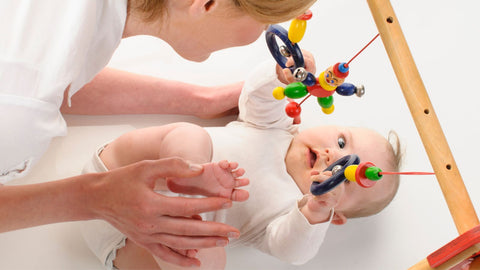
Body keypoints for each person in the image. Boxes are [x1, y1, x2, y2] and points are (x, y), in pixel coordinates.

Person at [0, 0, 317, 267]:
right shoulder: (20, 110)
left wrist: (201, 101)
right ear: (205, 3)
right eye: (263, 24)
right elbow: (28, 93)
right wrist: (94, 197)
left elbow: (55, 80)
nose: (259, 36)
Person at [80, 53, 402, 269]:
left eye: (344, 177)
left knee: (211, 258)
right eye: (342, 142)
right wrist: (280, 75)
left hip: (136, 245)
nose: (333, 157)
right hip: (119, 173)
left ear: (336, 216)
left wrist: (315, 212)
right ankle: (189, 177)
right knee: (191, 138)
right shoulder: (276, 127)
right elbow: (257, 96)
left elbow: (294, 251)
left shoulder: (290, 213)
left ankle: (189, 217)